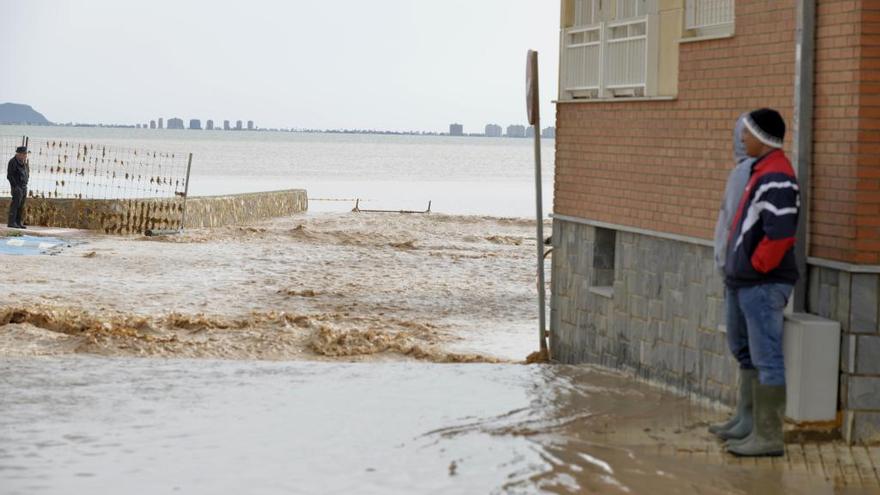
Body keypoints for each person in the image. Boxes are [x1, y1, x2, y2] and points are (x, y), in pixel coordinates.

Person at [721, 108, 800, 457]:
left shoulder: (778, 176)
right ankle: (750, 426)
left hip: (763, 284)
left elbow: (780, 233)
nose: (742, 138)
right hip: (749, 281)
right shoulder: (762, 170)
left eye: (748, 133)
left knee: (767, 358)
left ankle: (768, 437)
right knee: (750, 353)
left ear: (764, 138)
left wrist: (755, 268)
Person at [708, 114, 757, 443]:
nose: (739, 141)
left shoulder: (747, 173)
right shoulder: (743, 172)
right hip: (735, 269)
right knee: (742, 347)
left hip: (742, 272)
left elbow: (736, 224)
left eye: (743, 136)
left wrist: (730, 263)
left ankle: (751, 420)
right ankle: (744, 415)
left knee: (748, 347)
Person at [7, 146, 29, 229]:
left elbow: (27, 173)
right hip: (17, 187)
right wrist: (15, 186)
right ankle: (11, 222)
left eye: (26, 154)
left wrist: (26, 183)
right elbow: (9, 176)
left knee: (21, 205)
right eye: (24, 154)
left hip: (24, 186)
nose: (25, 155)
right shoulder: (13, 162)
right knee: (15, 204)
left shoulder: (24, 163)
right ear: (19, 154)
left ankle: (18, 222)